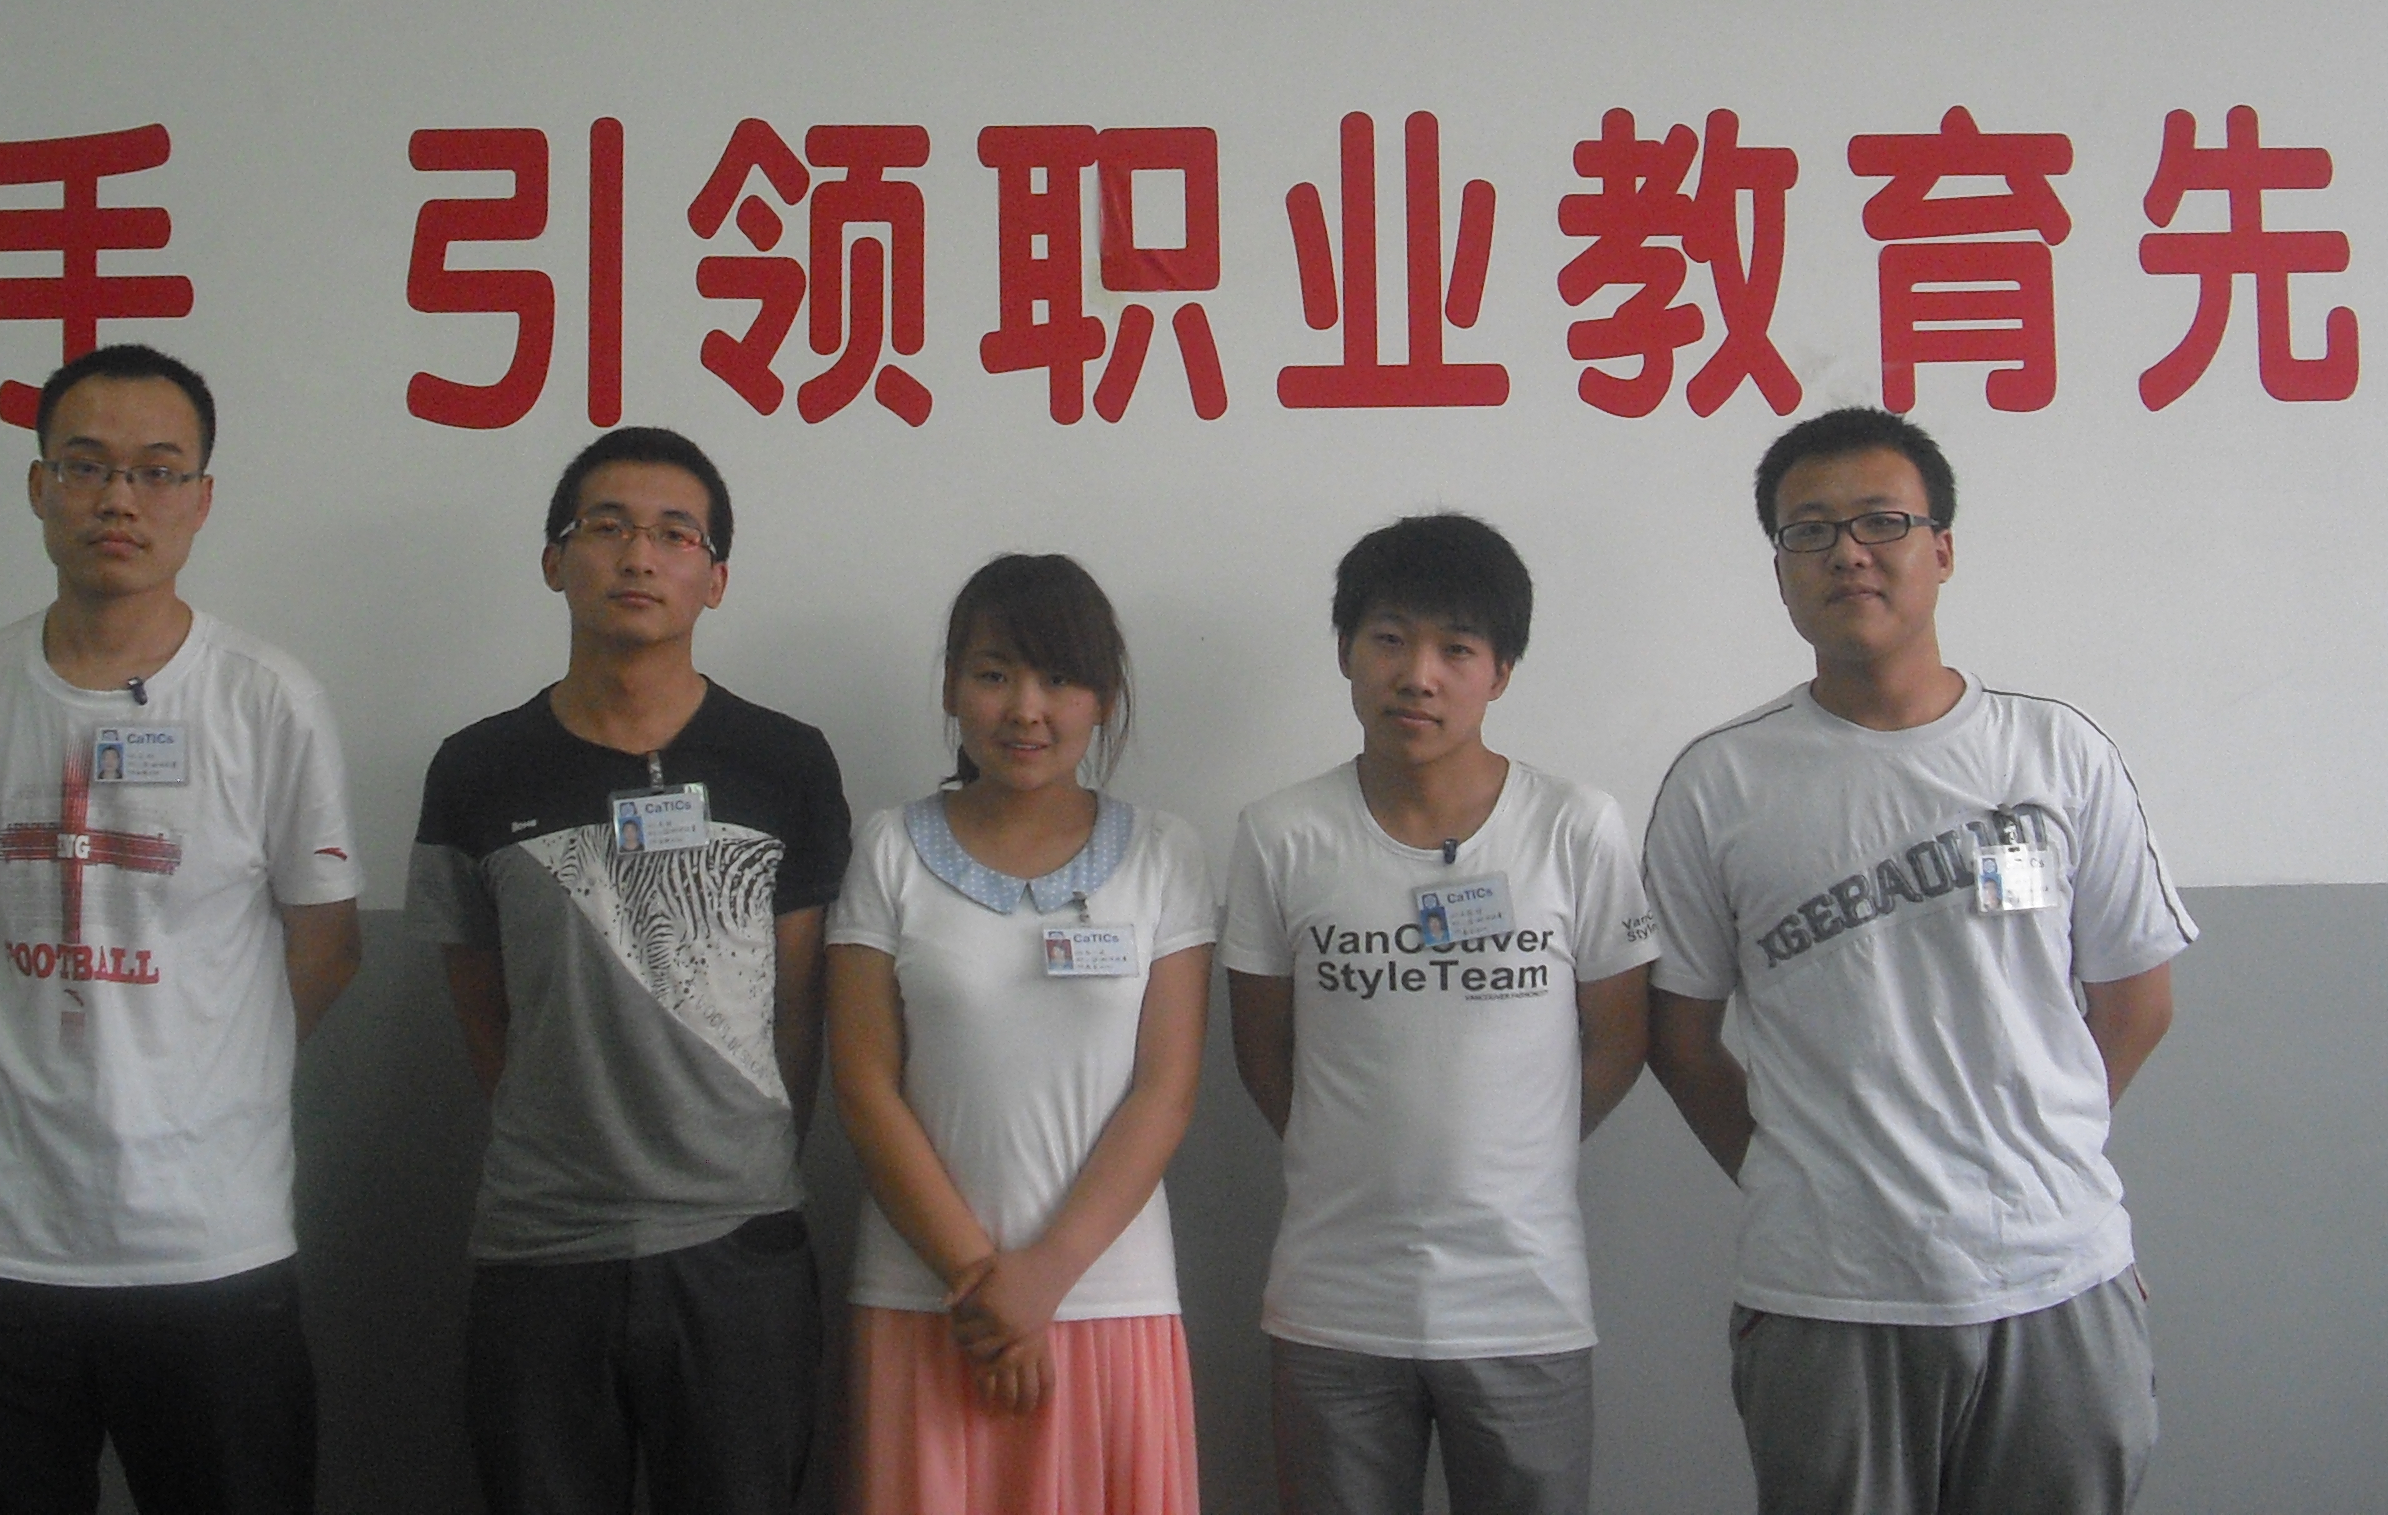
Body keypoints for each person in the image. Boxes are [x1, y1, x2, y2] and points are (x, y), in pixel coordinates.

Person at [1641, 406, 2196, 1515]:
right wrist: (1798, 1175)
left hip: (2058, 1277)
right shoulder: (1721, 784)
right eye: (1810, 531)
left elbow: (2137, 999)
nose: (1848, 552)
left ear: (1941, 549)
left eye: (1881, 522)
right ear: (1781, 571)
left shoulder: (2056, 754)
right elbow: (1681, 1040)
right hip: (1830, 1293)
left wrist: (2037, 1145)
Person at [0, 342, 364, 1515]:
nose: (119, 499)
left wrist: (204, 1068)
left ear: (201, 499)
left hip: (207, 1243)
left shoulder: (267, 699)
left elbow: (328, 945)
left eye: (158, 471)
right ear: (39, 486)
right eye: (87, 466)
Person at [408, 425, 852, 1515]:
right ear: (554, 560)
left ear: (716, 578)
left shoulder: (787, 761)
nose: (639, 556)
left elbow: (801, 1008)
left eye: (674, 534)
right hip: (542, 1246)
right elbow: (482, 1011)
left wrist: (742, 1159)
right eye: (606, 527)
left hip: (741, 1246)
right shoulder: (474, 769)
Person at [1222, 514, 1658, 1515]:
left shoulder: (1575, 827)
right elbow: (1262, 1053)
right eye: (1389, 639)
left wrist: (1512, 1154)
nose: (1417, 676)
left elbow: (1620, 1039)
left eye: (1456, 650)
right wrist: (1356, 1156)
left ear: (1500, 672)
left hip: (1523, 1302)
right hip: (1334, 1304)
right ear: (1345, 650)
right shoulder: (1280, 835)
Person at [827, 554, 1221, 1515]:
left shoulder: (1165, 852)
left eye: (1060, 678)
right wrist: (982, 1284)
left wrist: (1042, 1279)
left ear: (1104, 698)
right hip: (931, 1301)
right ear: (953, 687)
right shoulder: (888, 847)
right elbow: (865, 1084)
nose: (1025, 709)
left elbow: (1166, 1091)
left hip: (1106, 1295)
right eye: (995, 674)